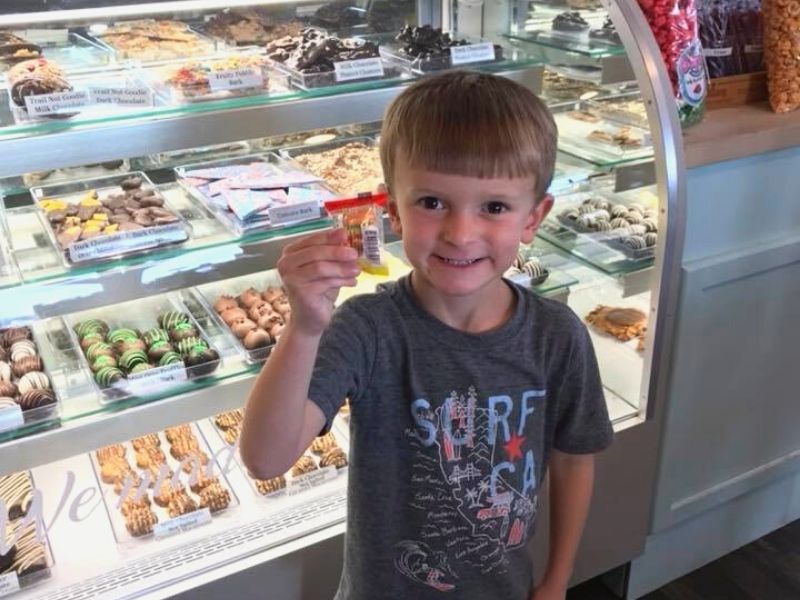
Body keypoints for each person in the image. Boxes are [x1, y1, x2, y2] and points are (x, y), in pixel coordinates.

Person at [241, 70, 613, 600]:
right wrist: (303, 327)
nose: (460, 233)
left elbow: (574, 458)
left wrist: (556, 580)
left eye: (495, 207)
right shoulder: (367, 329)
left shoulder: (557, 336)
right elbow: (266, 458)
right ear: (391, 208)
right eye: (432, 202)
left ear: (534, 218)